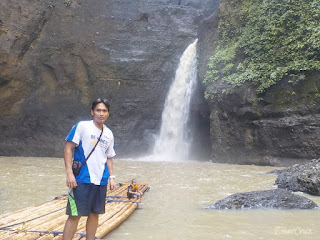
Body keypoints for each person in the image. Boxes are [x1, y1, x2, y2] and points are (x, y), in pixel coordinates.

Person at [62, 98, 116, 240]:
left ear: (108, 114)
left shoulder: (109, 134)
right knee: (75, 215)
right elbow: (68, 148)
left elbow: (109, 157)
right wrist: (69, 174)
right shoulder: (82, 126)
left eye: (104, 111)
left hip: (101, 180)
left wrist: (111, 177)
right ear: (92, 112)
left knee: (94, 214)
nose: (101, 113)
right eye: (98, 110)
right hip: (81, 179)